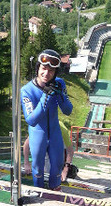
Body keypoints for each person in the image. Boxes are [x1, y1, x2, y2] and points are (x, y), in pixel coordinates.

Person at [21, 49, 73, 190]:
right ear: (38, 68)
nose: (46, 73)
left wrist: (60, 94)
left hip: (55, 133)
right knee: (37, 169)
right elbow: (31, 120)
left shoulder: (59, 83)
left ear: (55, 73)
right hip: (38, 134)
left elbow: (68, 110)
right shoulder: (27, 90)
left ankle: (54, 193)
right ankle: (38, 193)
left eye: (51, 71)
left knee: (56, 167)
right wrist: (46, 96)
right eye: (43, 68)